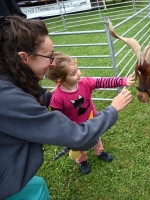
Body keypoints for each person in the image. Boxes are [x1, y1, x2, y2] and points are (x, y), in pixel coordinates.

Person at [0, 15, 132, 199]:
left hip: (10, 174)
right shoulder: (7, 98)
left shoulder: (11, 78)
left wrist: (47, 96)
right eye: (49, 56)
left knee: (38, 185)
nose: (52, 62)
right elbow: (75, 135)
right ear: (24, 57)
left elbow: (32, 99)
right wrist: (113, 109)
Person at [46, 52, 135, 175]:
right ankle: (82, 160)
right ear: (60, 80)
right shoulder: (57, 98)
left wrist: (123, 81)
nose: (79, 73)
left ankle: (99, 152)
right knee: (78, 148)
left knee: (96, 137)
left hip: (92, 119)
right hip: (76, 129)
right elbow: (57, 119)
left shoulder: (85, 82)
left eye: (77, 69)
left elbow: (102, 82)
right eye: (73, 73)